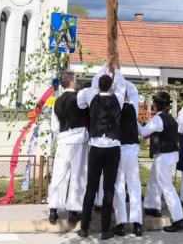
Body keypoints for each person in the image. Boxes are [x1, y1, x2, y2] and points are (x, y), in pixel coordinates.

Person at [77, 65, 126, 240]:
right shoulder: (118, 99)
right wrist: (115, 68)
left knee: (91, 187)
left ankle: (84, 227)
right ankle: (105, 230)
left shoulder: (92, 98)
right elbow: (122, 85)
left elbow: (93, 84)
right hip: (113, 146)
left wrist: (105, 66)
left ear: (98, 86)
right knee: (108, 189)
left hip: (96, 145)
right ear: (111, 85)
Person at [139, 90, 183, 233]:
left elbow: (143, 132)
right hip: (171, 154)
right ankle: (152, 207)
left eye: (154, 103)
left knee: (167, 187)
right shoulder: (171, 118)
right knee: (153, 180)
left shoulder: (158, 119)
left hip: (163, 156)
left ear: (156, 105)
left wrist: (135, 122)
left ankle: (178, 219)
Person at [48, 70, 89, 224]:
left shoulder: (56, 101)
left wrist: (61, 137)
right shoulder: (79, 97)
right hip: (77, 138)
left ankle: (53, 209)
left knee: (59, 174)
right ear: (72, 81)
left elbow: (54, 126)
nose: (76, 82)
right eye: (75, 80)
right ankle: (73, 210)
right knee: (78, 175)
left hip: (63, 139)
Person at [113, 79, 143, 237]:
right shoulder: (132, 108)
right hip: (132, 150)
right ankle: (137, 224)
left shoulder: (114, 108)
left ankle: (120, 224)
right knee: (134, 187)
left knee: (119, 187)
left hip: (119, 149)